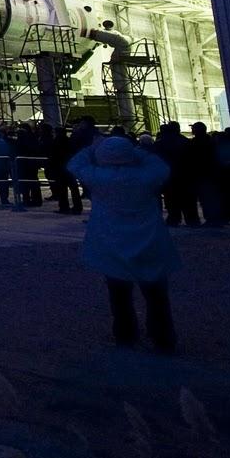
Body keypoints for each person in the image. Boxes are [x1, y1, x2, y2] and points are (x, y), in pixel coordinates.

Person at [67, 134, 179, 352]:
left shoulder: (98, 177)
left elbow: (75, 164)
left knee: (119, 294)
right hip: (149, 239)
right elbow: (159, 165)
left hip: (112, 240)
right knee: (156, 295)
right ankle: (163, 337)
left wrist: (93, 148)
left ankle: (125, 334)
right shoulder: (146, 177)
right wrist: (135, 151)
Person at [153, 121, 197, 226]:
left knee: (171, 199)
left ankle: (174, 218)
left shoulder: (160, 143)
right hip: (185, 176)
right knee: (188, 200)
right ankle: (192, 220)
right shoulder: (186, 142)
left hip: (169, 176)